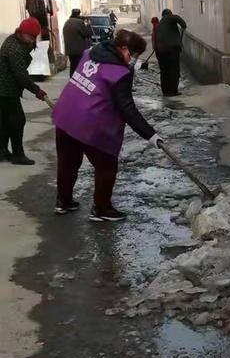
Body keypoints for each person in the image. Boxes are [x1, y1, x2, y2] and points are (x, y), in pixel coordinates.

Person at [52, 30, 163, 222]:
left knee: (67, 162)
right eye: (132, 54)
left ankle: (64, 202)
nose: (133, 60)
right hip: (89, 123)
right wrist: (150, 135)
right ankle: (102, 209)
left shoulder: (89, 54)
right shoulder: (120, 73)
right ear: (122, 48)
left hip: (65, 115)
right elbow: (127, 109)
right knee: (106, 165)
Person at [0, 17, 48, 165]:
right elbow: (21, 75)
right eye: (31, 37)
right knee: (17, 120)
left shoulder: (16, 40)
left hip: (6, 88)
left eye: (35, 37)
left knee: (5, 121)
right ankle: (18, 154)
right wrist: (37, 90)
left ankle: (2, 150)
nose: (33, 40)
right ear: (22, 33)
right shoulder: (15, 49)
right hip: (5, 89)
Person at [154, 9, 187, 96]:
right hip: (172, 49)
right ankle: (173, 91)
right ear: (170, 14)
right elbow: (181, 22)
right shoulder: (170, 18)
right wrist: (183, 26)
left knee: (164, 71)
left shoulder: (160, 24)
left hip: (161, 51)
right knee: (174, 70)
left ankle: (166, 91)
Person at [63, 9, 92, 77]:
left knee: (72, 66)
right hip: (78, 50)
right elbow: (87, 34)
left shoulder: (67, 21)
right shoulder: (79, 22)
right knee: (79, 67)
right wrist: (88, 25)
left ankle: (72, 80)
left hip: (69, 49)